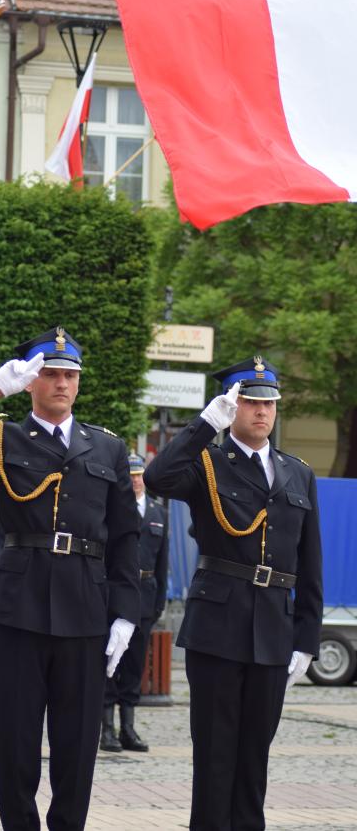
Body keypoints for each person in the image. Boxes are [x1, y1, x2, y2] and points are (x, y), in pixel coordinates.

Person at [0, 326, 141, 831]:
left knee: (77, 744)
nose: (61, 383)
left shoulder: (105, 448)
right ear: (32, 382)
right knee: (16, 741)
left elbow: (126, 537)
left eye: (70, 375)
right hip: (20, 607)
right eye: (50, 374)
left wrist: (125, 612)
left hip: (85, 609)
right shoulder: (2, 438)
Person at [144, 355, 323, 831]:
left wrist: (306, 636)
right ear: (231, 406)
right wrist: (205, 425)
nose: (261, 412)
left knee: (254, 756)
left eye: (268, 403)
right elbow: (159, 477)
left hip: (272, 627)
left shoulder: (297, 472)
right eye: (248, 402)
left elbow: (310, 562)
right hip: (218, 625)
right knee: (215, 752)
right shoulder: (207, 463)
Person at [101, 453, 168, 753]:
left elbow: (163, 561)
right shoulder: (110, 507)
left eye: (140, 475)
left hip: (146, 594)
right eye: (131, 475)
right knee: (109, 663)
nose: (136, 480)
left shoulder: (157, 511)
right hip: (115, 594)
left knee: (134, 666)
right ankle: (107, 729)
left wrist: (159, 603)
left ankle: (128, 726)